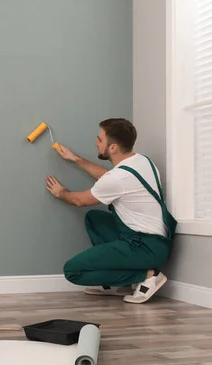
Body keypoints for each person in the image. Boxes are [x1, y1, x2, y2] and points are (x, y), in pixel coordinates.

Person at [45, 118, 177, 304]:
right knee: (94, 219)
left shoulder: (118, 178)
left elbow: (79, 200)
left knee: (73, 271)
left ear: (112, 147)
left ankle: (147, 274)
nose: (95, 142)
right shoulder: (141, 161)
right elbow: (109, 178)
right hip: (156, 243)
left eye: (99, 139)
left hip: (144, 247)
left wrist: (61, 193)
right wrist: (76, 159)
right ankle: (118, 283)